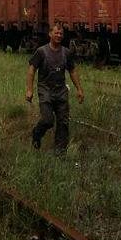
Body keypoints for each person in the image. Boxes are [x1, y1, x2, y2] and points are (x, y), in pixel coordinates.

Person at [25, 25, 84, 154]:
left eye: (61, 34)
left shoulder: (66, 53)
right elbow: (31, 70)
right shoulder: (41, 52)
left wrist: (79, 89)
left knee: (63, 122)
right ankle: (37, 134)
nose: (59, 36)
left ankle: (60, 152)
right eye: (56, 33)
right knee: (47, 120)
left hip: (61, 91)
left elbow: (72, 71)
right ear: (50, 34)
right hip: (45, 91)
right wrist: (29, 90)